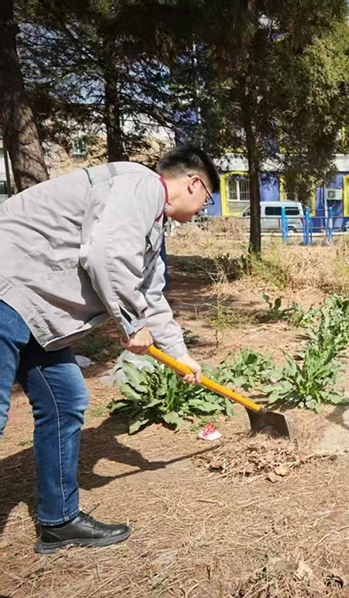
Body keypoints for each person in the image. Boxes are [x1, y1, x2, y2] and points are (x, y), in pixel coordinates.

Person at [0, 145, 219, 552]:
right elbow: (106, 254)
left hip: (36, 310)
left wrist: (180, 354)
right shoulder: (140, 185)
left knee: (66, 400)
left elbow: (150, 294)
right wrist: (131, 325)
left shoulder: (152, 224)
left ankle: (58, 520)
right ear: (193, 183)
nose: (202, 210)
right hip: (8, 289)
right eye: (206, 199)